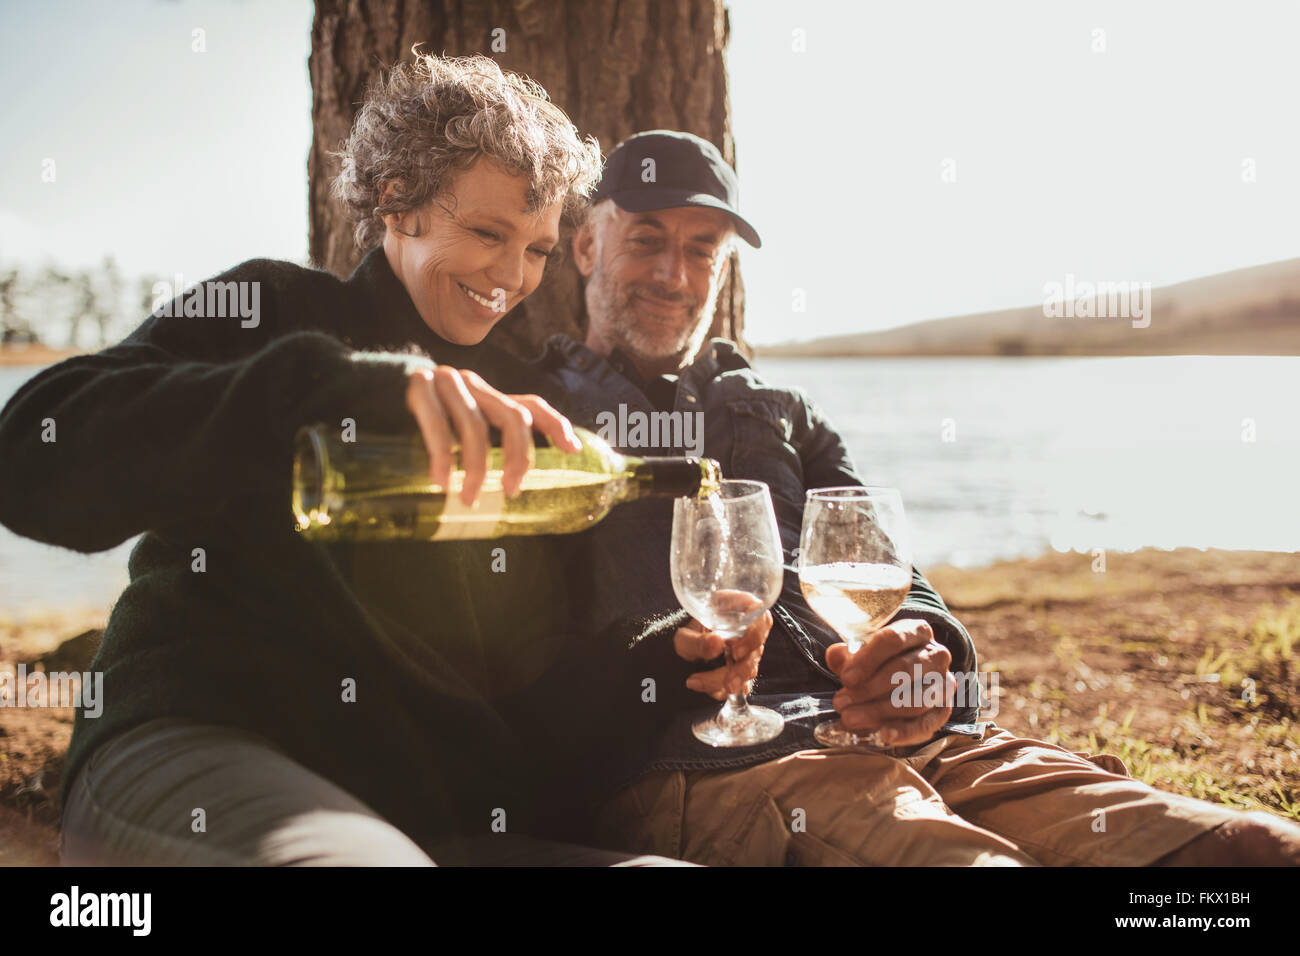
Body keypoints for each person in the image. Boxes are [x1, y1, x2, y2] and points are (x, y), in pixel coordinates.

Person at [530, 129, 1300, 866]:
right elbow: (520, 670)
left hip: (911, 740)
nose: (675, 274)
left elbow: (897, 577)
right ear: (587, 245)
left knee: (1252, 851)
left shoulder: (780, 411)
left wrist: (932, 664)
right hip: (711, 766)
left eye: (703, 250)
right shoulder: (535, 413)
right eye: (647, 240)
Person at [0, 53, 689, 866]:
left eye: (537, 249)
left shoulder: (526, 407)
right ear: (397, 201)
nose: (511, 277)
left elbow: (532, 693)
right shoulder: (275, 311)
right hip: (198, 746)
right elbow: (32, 456)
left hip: (434, 827)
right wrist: (334, 393)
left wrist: (665, 663)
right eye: (487, 233)